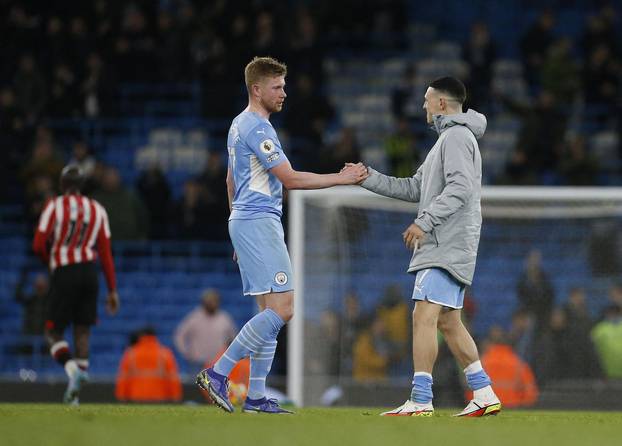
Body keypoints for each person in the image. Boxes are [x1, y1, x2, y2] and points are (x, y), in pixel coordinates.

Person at [195, 56, 367, 414]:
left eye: (284, 85)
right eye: (277, 86)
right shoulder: (258, 128)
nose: (284, 92)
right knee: (285, 309)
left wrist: (236, 230)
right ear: (256, 89)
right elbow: (290, 179)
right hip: (258, 220)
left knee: (269, 311)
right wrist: (342, 178)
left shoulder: (237, 125)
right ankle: (219, 373)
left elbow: (230, 181)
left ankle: (256, 396)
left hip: (246, 220)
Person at [350, 77, 501, 417]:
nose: (423, 106)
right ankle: (485, 392)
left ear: (442, 104)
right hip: (449, 241)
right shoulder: (447, 140)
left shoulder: (457, 137)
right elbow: (415, 187)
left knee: (423, 316)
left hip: (446, 242)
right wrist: (368, 178)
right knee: (448, 322)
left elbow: (461, 187)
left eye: (427, 100)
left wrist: (425, 221)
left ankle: (420, 399)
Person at [32, 165, 120, 404]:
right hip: (89, 274)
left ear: (62, 185)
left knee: (52, 331)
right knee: (82, 332)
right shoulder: (97, 210)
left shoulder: (54, 206)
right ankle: (74, 397)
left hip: (64, 271)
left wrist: (51, 260)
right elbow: (105, 253)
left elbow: (39, 244)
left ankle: (72, 370)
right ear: (82, 186)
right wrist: (112, 289)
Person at [174, 289, 237, 369]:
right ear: (204, 302)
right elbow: (179, 335)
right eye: (209, 301)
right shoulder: (194, 318)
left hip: (219, 362)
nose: (212, 303)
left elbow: (233, 338)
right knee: (197, 381)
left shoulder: (224, 318)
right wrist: (187, 353)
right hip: (198, 363)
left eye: (214, 301)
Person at [115, 327, 182, 403]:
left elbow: (123, 377)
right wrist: (176, 397)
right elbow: (172, 378)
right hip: (160, 398)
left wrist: (121, 397)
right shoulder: (165, 354)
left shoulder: (131, 353)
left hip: (136, 397)